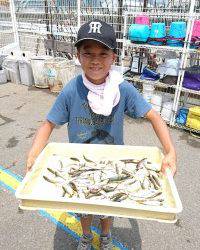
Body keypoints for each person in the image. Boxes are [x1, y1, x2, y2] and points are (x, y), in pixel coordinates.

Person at [26, 19, 177, 250]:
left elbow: (154, 116)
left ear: (113, 58)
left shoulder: (121, 88)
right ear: (78, 55)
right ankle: (86, 234)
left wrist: (170, 152)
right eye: (88, 53)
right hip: (81, 164)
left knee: (109, 205)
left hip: (113, 162)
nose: (95, 60)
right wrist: (34, 153)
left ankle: (105, 234)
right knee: (82, 204)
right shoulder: (71, 89)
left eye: (103, 53)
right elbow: (48, 123)